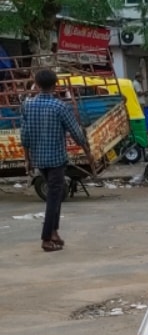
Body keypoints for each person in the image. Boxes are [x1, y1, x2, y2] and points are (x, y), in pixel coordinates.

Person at [19, 68, 95, 254]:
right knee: (54, 197)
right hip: (56, 159)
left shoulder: (27, 105)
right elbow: (76, 133)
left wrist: (27, 160)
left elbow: (25, 135)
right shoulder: (60, 106)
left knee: (56, 194)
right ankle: (46, 237)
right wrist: (88, 153)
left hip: (38, 158)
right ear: (56, 85)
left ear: (36, 85)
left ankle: (54, 232)